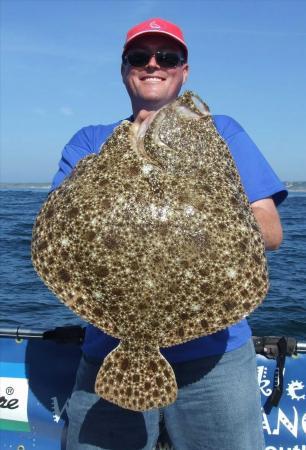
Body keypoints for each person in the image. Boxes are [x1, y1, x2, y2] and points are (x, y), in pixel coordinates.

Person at [50, 18, 287, 450]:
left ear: (184, 70)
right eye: (140, 57)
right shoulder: (90, 141)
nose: (153, 65)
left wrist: (206, 216)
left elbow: (269, 233)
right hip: (108, 350)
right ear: (125, 69)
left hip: (215, 359)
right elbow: (59, 230)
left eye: (168, 57)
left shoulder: (221, 132)